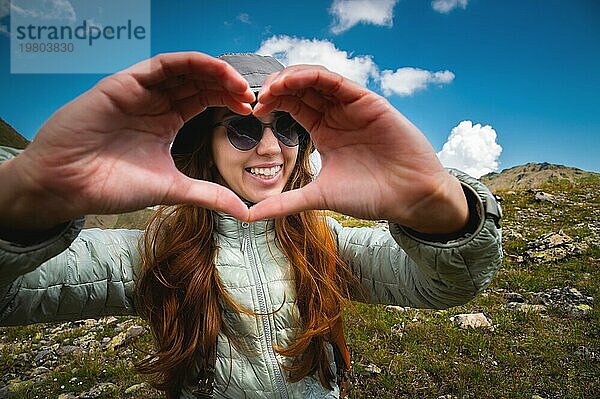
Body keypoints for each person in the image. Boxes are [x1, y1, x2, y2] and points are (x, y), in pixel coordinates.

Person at [0, 52, 502, 399]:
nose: (269, 149)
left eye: (286, 127)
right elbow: (14, 296)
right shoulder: (152, 252)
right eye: (243, 129)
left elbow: (447, 284)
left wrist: (435, 204)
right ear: (206, 144)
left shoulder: (327, 244)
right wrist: (24, 201)